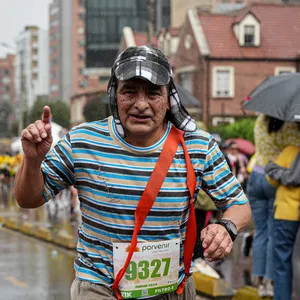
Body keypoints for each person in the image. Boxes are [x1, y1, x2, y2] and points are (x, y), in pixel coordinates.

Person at [15, 46, 251, 300]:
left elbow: (239, 205)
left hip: (174, 290)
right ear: (114, 95)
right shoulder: (82, 141)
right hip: (100, 289)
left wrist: (226, 228)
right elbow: (28, 199)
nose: (141, 104)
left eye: (153, 93)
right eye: (129, 91)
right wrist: (32, 161)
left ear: (168, 97)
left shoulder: (198, 146)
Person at [247, 114, 300, 297]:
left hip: (256, 175)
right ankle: (271, 282)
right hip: (276, 177)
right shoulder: (292, 125)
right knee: (273, 233)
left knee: (260, 232)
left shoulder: (262, 119)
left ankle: (259, 280)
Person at [265, 145, 300, 300]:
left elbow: (270, 180)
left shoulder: (290, 151)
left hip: (286, 213)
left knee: (282, 260)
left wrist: (283, 174)